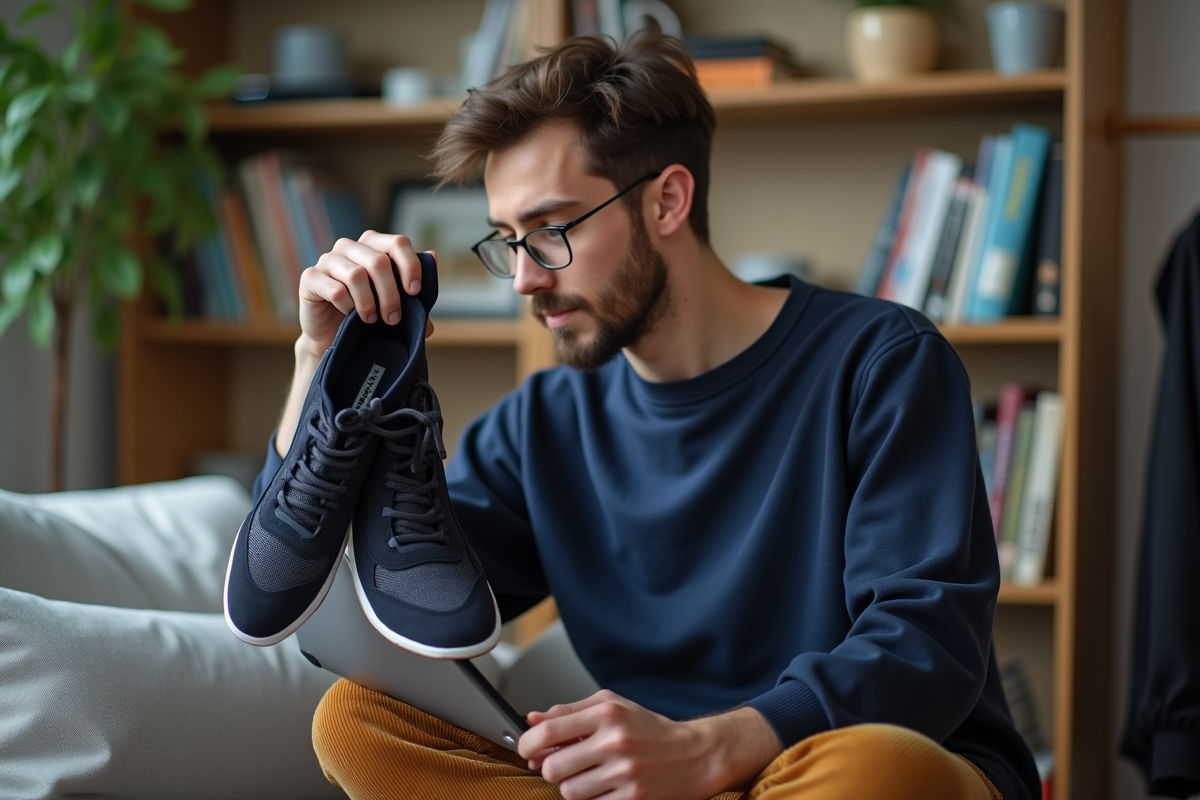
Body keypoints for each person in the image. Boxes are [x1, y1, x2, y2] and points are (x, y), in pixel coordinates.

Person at [252, 34, 1039, 800]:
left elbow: (925, 643)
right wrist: (318, 367)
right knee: (356, 723)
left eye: (552, 230)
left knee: (871, 772)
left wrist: (709, 748)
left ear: (668, 199)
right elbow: (349, 593)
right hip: (650, 782)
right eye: (508, 240)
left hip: (835, 763)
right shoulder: (542, 426)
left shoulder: (882, 362)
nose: (523, 279)